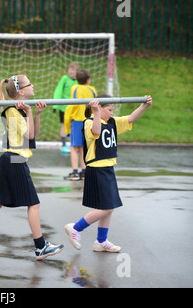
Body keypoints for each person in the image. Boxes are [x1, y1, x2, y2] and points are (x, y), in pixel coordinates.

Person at [0, 75, 64, 260]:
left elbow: (33, 133)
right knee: (33, 204)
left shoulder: (19, 109)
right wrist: (28, 112)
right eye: (30, 84)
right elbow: (28, 134)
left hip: (11, 159)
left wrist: (35, 114)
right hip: (14, 159)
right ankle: (40, 246)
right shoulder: (13, 110)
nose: (33, 85)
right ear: (20, 91)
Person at [65, 94, 153, 252]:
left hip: (108, 168)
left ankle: (101, 241)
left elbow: (130, 119)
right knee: (105, 207)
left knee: (109, 206)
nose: (112, 113)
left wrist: (143, 106)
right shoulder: (89, 122)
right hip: (97, 169)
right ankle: (76, 228)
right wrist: (97, 112)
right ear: (99, 108)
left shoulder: (111, 122)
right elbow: (96, 131)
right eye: (110, 110)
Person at [63, 69, 97, 181]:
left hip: (77, 121)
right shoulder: (93, 89)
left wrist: (67, 120)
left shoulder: (75, 88)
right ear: (88, 80)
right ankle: (84, 170)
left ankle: (75, 172)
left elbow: (72, 104)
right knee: (83, 147)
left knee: (74, 147)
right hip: (89, 120)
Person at [53, 62, 80, 154]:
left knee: (75, 126)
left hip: (75, 108)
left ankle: (74, 145)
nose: (71, 71)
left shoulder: (78, 81)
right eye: (70, 69)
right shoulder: (64, 78)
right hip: (64, 108)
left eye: (73, 70)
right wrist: (55, 104)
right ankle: (64, 145)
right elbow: (58, 90)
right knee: (64, 125)